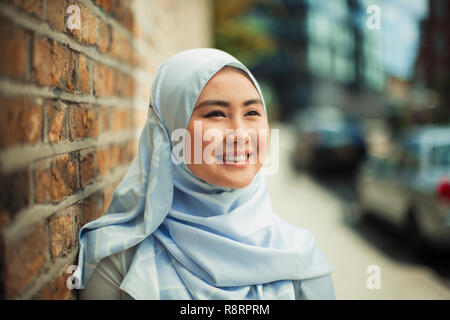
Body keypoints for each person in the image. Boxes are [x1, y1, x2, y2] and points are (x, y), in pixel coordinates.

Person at [74, 48, 335, 300]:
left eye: (252, 112)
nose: (240, 134)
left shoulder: (300, 257)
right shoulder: (120, 258)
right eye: (216, 114)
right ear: (169, 130)